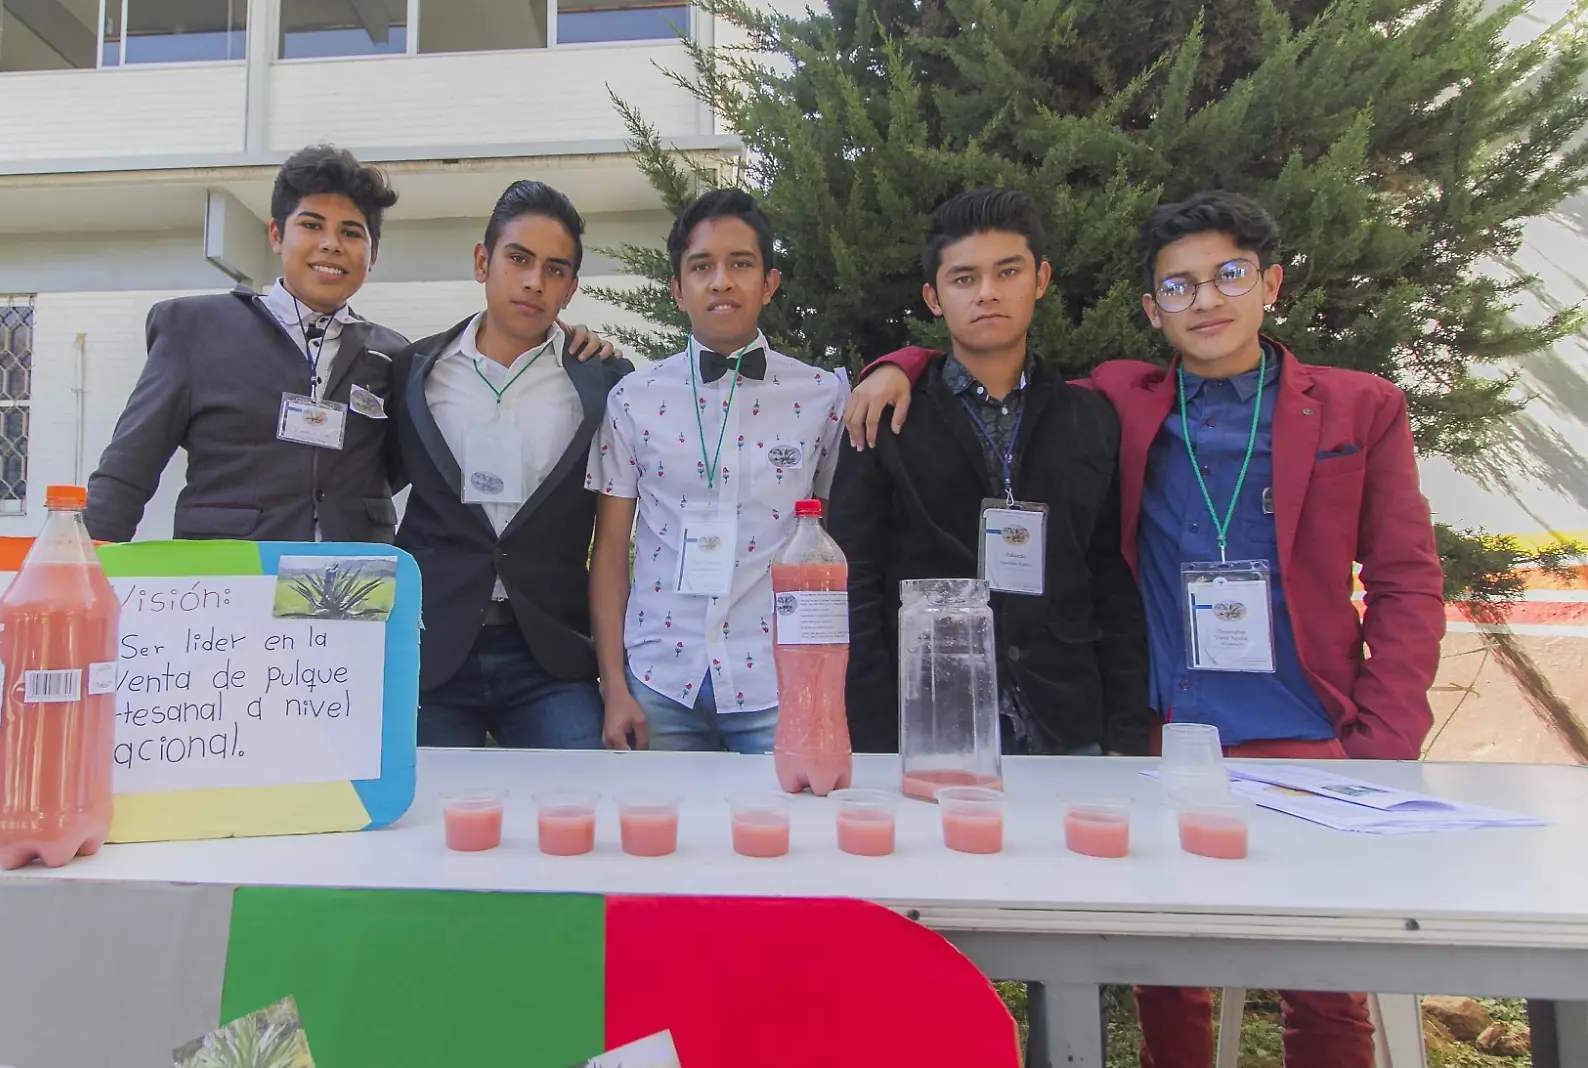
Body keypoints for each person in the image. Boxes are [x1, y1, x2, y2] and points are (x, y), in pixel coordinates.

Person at [849, 190, 1445, 1068]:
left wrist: (1382, 741)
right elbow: (984, 361)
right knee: (1169, 972)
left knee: (1325, 975)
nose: (1205, 301)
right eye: (1180, 286)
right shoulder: (1124, 401)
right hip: (1172, 733)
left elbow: (1405, 581)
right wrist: (899, 362)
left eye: (1228, 276)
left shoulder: (1360, 408)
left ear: (1271, 283)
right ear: (1151, 307)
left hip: (1312, 733)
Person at [84, 144, 619, 545]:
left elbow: (400, 466)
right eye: (312, 225)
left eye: (352, 232)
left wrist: (568, 338)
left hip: (351, 598)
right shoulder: (196, 330)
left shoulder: (394, 358)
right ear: (276, 234)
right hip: (228, 591)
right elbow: (125, 475)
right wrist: (83, 585)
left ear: (374, 251)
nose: (330, 246)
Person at [826, 189, 1150, 757]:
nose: (988, 293)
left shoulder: (1091, 419)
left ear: (1041, 278)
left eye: (1008, 272)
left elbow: (1111, 578)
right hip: (925, 722)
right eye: (964, 278)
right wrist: (871, 736)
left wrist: (1124, 731)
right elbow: (856, 581)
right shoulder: (887, 416)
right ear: (934, 296)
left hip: (1067, 721)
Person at [587, 189, 849, 753]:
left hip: (778, 682)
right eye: (701, 266)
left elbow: (831, 539)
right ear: (678, 289)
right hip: (659, 681)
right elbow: (609, 549)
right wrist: (614, 688)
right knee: (666, 841)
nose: (721, 281)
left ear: (769, 283)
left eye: (741, 264)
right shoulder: (632, 398)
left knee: (783, 839)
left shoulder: (823, 398)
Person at [393, 181, 634, 748]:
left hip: (548, 658)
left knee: (576, 817)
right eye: (518, 259)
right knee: (425, 824)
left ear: (571, 287)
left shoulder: (605, 383)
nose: (534, 282)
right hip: (432, 652)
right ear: (483, 261)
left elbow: (611, 539)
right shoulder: (412, 371)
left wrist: (613, 675)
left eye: (555, 270)